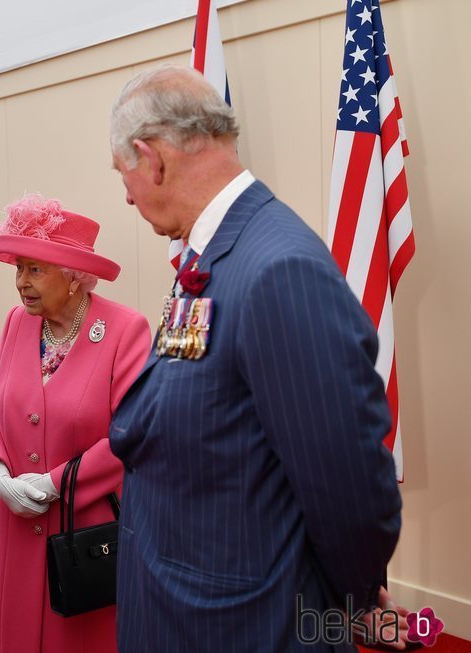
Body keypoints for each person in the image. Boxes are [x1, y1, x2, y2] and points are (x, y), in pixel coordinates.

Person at [107, 65, 402, 651]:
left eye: (124, 174)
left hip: (242, 624)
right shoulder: (215, 252)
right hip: (184, 601)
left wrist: (354, 597)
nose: (126, 193)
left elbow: (348, 485)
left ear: (152, 159)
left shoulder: (276, 269)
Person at [0, 193, 151, 652]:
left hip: (84, 527)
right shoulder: (17, 323)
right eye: (19, 269)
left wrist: (55, 485)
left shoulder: (125, 330)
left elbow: (130, 434)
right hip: (15, 522)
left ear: (74, 277)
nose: (21, 283)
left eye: (36, 270)